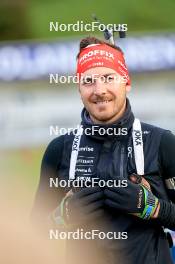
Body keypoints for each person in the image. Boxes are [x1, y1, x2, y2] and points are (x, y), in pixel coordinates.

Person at [32, 36, 175, 264]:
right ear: (79, 88)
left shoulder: (162, 142)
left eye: (108, 78)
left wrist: (154, 207)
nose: (100, 90)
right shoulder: (59, 150)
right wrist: (62, 216)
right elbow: (33, 232)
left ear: (126, 82)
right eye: (88, 81)